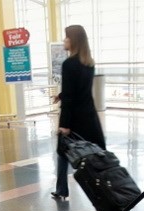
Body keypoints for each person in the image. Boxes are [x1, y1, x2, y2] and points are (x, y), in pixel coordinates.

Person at [51, 25, 106, 200]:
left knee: (63, 151)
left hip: (74, 119)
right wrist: (61, 95)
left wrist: (65, 125)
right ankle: (105, 192)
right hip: (89, 116)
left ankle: (62, 190)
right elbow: (78, 90)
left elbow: (70, 97)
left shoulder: (69, 64)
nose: (64, 40)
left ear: (73, 40)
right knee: (96, 157)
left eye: (66, 37)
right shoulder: (88, 62)